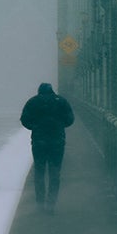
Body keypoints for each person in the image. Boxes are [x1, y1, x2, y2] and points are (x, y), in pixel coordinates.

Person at [21, 80, 75, 209]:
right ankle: (51, 202)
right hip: (57, 140)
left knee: (39, 171)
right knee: (55, 172)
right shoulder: (61, 101)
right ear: (51, 90)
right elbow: (70, 119)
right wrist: (59, 125)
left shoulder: (33, 102)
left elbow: (24, 120)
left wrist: (35, 127)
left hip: (39, 140)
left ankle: (40, 201)